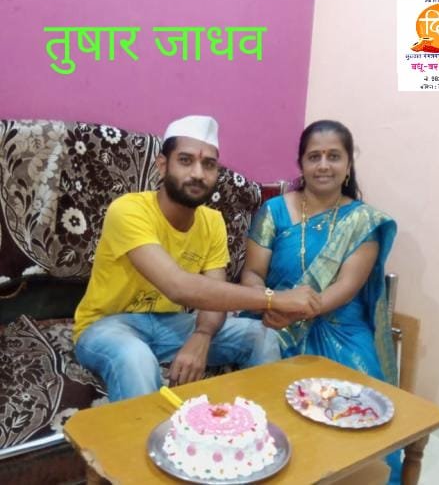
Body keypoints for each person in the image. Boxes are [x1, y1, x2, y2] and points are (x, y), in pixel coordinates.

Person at [74, 115, 321, 402]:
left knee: (260, 335)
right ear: (162, 165)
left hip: (168, 324)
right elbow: (178, 286)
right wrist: (273, 299)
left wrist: (202, 335)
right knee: (134, 355)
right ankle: (148, 433)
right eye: (185, 160)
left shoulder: (212, 222)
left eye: (209, 164)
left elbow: (215, 294)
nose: (198, 173)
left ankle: (262, 421)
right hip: (107, 327)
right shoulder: (128, 210)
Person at [240, 119, 401, 484]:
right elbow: (252, 273)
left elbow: (346, 286)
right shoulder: (274, 211)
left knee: (364, 412)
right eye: (314, 156)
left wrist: (293, 310)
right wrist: (270, 303)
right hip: (273, 320)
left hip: (341, 329)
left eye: (333, 156)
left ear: (348, 164)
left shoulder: (363, 221)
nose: (323, 165)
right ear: (301, 163)